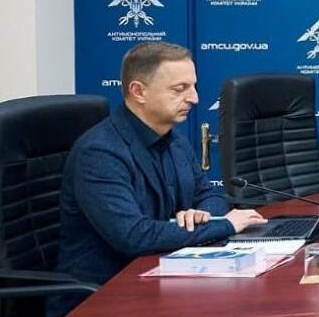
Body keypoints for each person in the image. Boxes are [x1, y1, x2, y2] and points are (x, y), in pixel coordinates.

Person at [51, 42, 267, 316]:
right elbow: (133, 236)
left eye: (193, 86)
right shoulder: (99, 152)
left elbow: (209, 194)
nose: (194, 98)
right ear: (138, 91)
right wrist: (223, 225)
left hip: (164, 280)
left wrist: (202, 215)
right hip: (103, 297)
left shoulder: (174, 141)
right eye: (179, 89)